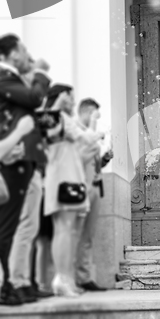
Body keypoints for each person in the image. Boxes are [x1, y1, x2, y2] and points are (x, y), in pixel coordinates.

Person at [0, 34, 51, 305]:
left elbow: (32, 105)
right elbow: (34, 98)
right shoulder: (3, 77)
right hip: (10, 160)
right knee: (13, 227)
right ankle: (12, 283)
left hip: (27, 161)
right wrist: (40, 72)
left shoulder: (13, 80)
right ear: (11, 53)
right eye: (22, 50)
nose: (26, 55)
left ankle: (20, 281)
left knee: (27, 227)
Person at [43, 85, 101, 297]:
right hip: (61, 180)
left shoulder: (62, 118)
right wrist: (98, 129)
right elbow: (86, 138)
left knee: (69, 232)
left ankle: (66, 278)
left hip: (70, 179)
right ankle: (61, 279)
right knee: (64, 230)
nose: (73, 101)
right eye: (70, 96)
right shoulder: (54, 117)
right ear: (61, 96)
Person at [75, 98, 112, 291]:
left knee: (87, 235)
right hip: (80, 188)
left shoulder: (90, 136)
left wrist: (104, 160)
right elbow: (77, 160)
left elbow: (92, 164)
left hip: (96, 186)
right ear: (89, 112)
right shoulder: (77, 133)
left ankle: (84, 277)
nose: (98, 119)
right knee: (75, 233)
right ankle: (71, 278)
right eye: (96, 114)